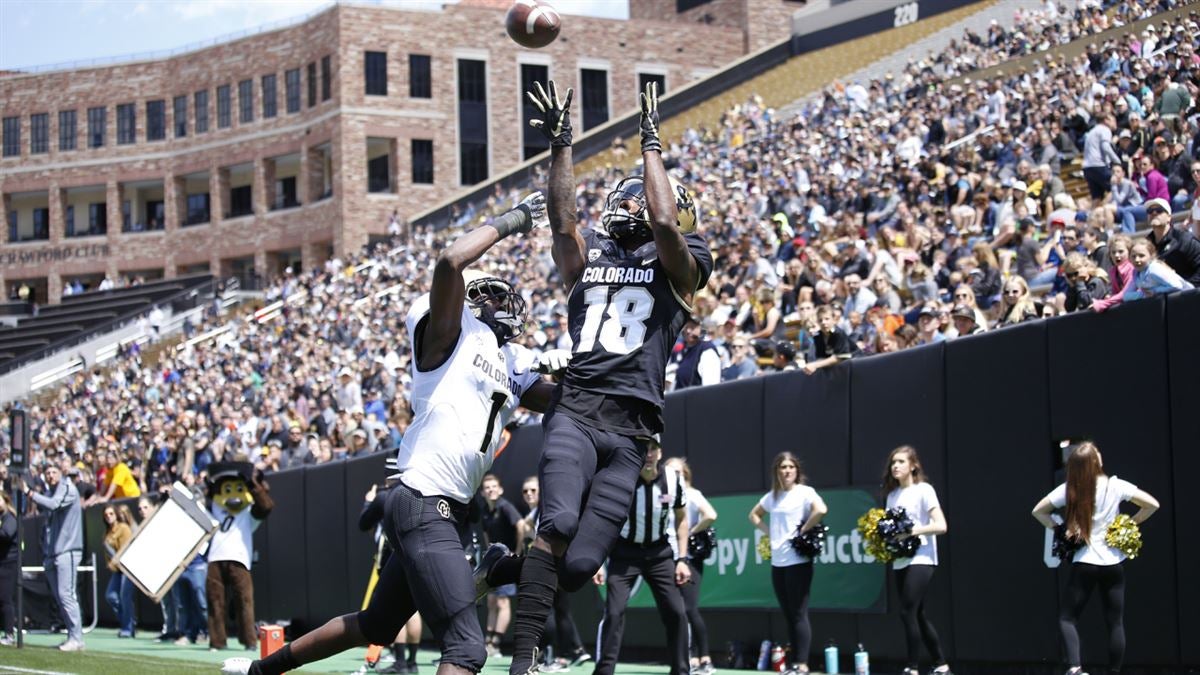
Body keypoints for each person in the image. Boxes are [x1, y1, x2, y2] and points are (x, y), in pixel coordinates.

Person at [222, 192, 554, 675]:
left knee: (377, 625)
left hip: (448, 508)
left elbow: (555, 396)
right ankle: (479, 576)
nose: (505, 304)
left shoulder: (504, 363)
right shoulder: (448, 336)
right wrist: (516, 219)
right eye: (494, 295)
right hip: (425, 501)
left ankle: (260, 672)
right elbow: (450, 261)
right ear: (469, 301)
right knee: (466, 650)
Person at [491, 80, 712, 675]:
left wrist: (651, 144)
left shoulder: (684, 261)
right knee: (557, 522)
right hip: (579, 410)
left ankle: (499, 569)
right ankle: (522, 662)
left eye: (639, 195)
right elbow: (563, 222)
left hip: (633, 435)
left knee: (581, 565)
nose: (631, 202)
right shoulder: (594, 256)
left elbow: (665, 224)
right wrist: (562, 145)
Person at [1031, 443, 1159, 675]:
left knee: (1067, 618)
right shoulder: (1115, 485)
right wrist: (1128, 524)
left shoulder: (1070, 488)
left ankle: (1075, 668)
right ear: (1095, 462)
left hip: (1085, 562)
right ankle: (1114, 671)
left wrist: (1059, 529)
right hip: (1113, 562)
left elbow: (1038, 511)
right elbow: (1152, 504)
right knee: (1115, 622)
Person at [591, 437, 690, 675]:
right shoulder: (623, 479)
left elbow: (682, 519)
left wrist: (682, 560)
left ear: (660, 452)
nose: (648, 453)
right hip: (625, 554)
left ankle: (681, 671)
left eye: (653, 448)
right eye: (644, 449)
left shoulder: (673, 480)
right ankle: (604, 671)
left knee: (677, 612)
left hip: (659, 554)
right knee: (613, 612)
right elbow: (604, 522)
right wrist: (597, 563)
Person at [749, 452, 827, 674]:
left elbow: (821, 510)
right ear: (777, 471)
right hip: (778, 562)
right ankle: (794, 664)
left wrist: (804, 529)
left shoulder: (805, 492)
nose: (787, 470)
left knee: (799, 612)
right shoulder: (772, 496)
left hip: (798, 560)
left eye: (791, 467)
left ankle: (802, 664)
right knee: (788, 613)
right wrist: (770, 532)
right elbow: (754, 515)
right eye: (783, 467)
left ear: (797, 470)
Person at [882, 446, 950, 675]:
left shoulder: (924, 490)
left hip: (922, 558)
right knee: (917, 614)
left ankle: (911, 668)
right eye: (893, 462)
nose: (895, 466)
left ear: (913, 465)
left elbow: (941, 525)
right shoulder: (891, 496)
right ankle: (941, 665)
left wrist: (912, 531)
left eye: (901, 461)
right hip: (900, 560)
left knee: (906, 612)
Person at [514, 477, 590, 672]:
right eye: (525, 491)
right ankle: (570, 652)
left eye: (533, 490)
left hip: (555, 567)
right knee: (556, 612)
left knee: (551, 613)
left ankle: (558, 655)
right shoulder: (532, 516)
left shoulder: (551, 510)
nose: (529, 494)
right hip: (547, 568)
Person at [20, 464, 85, 651]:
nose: (50, 476)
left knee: (67, 595)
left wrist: (29, 493)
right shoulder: (51, 492)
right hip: (52, 553)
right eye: (47, 473)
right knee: (59, 596)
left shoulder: (67, 488)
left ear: (61, 473)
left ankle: (77, 638)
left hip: (68, 550)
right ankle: (72, 636)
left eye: (53, 472)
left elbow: (54, 504)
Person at [360, 482, 422, 674]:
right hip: (418, 556)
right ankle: (412, 662)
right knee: (413, 611)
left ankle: (401, 662)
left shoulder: (386, 496)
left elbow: (364, 523)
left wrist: (367, 502)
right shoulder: (422, 492)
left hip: (393, 560)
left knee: (396, 609)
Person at [664, 457, 718, 675]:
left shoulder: (692, 494)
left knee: (689, 608)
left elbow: (711, 515)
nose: (675, 475)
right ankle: (691, 658)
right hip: (667, 557)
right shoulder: (664, 494)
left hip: (688, 558)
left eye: (679, 472)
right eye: (670, 471)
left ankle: (705, 658)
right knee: (677, 610)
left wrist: (691, 531)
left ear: (685, 474)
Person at [480, 474, 521, 657]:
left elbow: (520, 526)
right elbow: (486, 533)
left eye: (494, 486)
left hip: (507, 562)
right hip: (493, 562)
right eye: (487, 487)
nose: (491, 490)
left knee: (503, 602)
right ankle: (487, 641)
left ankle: (495, 644)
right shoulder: (485, 511)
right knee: (492, 602)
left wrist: (516, 552)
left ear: (500, 489)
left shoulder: (506, 507)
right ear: (482, 492)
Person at [1144, 198, 1200, 286]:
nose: (1154, 213)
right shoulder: (1145, 245)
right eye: (1150, 211)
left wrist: (1187, 289)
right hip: (1159, 295)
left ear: (1169, 217)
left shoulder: (1183, 239)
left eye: (1159, 210)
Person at [1121, 237, 1194, 302]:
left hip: (1190, 298)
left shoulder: (1154, 269)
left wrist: (1154, 291)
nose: (1137, 260)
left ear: (1151, 256)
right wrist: (1143, 295)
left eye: (1141, 256)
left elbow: (1177, 286)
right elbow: (1126, 296)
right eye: (1133, 256)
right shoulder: (1136, 273)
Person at [102, 504, 136, 637]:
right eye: (106, 515)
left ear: (116, 515)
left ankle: (128, 627)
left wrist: (116, 560)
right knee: (110, 596)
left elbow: (125, 550)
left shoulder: (123, 528)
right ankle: (128, 622)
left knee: (125, 597)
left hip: (126, 568)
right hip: (116, 569)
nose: (108, 517)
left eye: (111, 514)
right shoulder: (107, 531)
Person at [670, 319, 722, 389]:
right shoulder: (684, 349)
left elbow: (710, 389)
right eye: (686, 326)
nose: (688, 331)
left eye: (692, 327)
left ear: (702, 329)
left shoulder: (708, 351)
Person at [0, 491, 18, 646]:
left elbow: (6, 534)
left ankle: (9, 634)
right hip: (2, 563)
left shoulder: (10, 519)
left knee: (6, 599)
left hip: (9, 564)